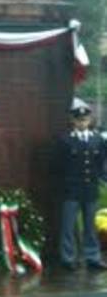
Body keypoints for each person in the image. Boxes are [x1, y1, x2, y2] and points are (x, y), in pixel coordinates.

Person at [56, 97, 107, 271]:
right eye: (79, 120)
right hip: (71, 190)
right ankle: (68, 258)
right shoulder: (65, 140)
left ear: (90, 120)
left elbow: (100, 163)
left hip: (90, 189)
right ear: (73, 120)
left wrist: (99, 179)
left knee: (90, 225)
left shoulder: (98, 140)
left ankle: (92, 257)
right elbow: (58, 166)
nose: (82, 123)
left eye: (85, 119)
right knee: (69, 226)